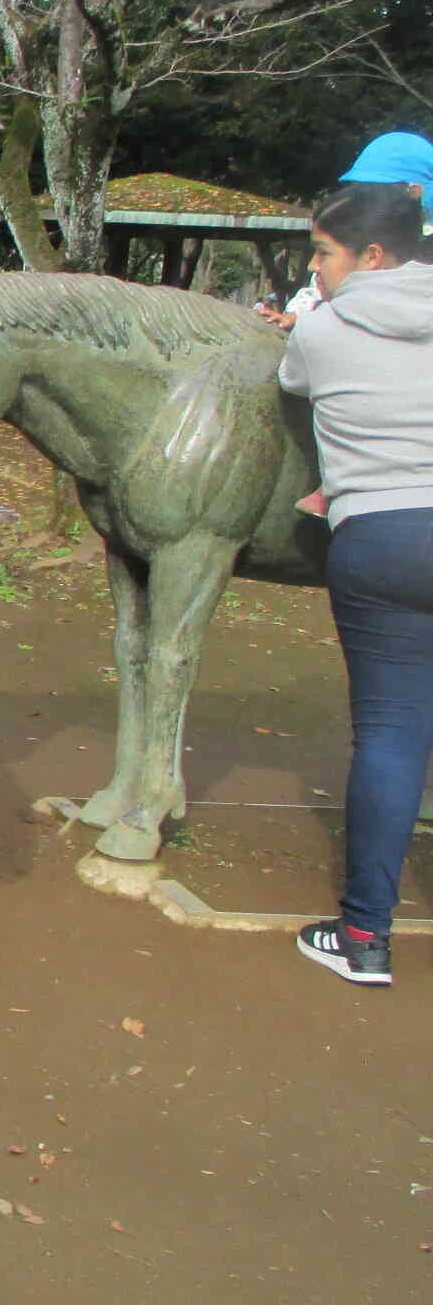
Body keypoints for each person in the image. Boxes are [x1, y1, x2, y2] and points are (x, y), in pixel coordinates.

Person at [278, 183, 433, 986]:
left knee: (392, 732)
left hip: (384, 537)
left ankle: (365, 936)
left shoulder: (324, 328)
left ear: (372, 256)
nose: (316, 268)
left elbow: (295, 383)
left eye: (324, 253)